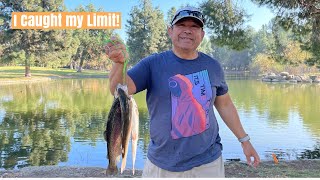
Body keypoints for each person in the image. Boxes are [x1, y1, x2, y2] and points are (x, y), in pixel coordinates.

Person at [105, 6, 260, 178]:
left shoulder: (213, 66)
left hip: (208, 164)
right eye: (181, 25)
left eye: (194, 26)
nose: (187, 30)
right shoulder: (152, 64)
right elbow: (118, 90)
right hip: (161, 166)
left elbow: (225, 105)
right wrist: (119, 64)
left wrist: (244, 140)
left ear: (202, 34)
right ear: (170, 31)